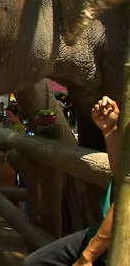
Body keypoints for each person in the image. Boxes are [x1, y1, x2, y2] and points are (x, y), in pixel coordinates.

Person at [24, 96, 121, 266]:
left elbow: (125, 203)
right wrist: (110, 130)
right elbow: (121, 173)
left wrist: (88, 256)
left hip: (117, 244)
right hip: (100, 233)